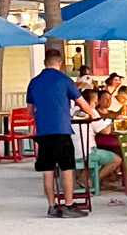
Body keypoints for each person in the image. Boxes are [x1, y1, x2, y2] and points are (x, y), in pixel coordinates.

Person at [25, 45, 95, 216]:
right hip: (61, 128)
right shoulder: (64, 80)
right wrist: (94, 114)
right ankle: (68, 204)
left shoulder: (34, 82)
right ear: (60, 63)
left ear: (44, 62)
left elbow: (29, 110)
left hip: (43, 131)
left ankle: (51, 206)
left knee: (47, 169)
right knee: (67, 167)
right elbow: (82, 103)